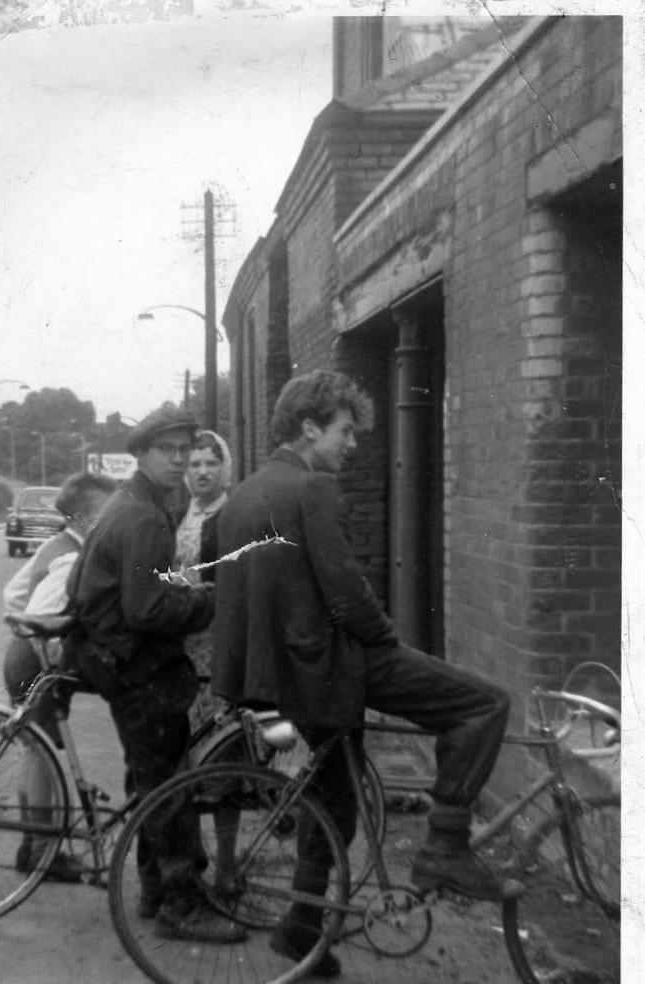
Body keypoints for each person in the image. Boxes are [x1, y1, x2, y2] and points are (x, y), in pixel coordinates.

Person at [212, 369, 519, 978]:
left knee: (334, 799)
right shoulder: (312, 489)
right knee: (485, 704)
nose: (352, 446)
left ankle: (299, 930)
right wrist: (388, 641)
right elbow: (347, 596)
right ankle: (445, 846)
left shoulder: (244, 493)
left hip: (279, 678)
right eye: (345, 431)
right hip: (328, 667)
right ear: (309, 427)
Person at [65, 406, 246, 944]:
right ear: (141, 454)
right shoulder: (144, 516)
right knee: (169, 786)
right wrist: (208, 602)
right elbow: (146, 609)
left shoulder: (129, 503)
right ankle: (182, 906)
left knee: (149, 776)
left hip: (112, 656)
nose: (180, 459)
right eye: (167, 450)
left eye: (185, 449)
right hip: (137, 663)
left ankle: (152, 890)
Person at [2, 471, 116, 883]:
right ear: (85, 518)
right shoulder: (73, 557)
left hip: (22, 656)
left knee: (34, 749)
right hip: (37, 660)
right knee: (41, 753)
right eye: (110, 513)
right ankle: (42, 851)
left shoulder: (55, 545)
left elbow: (14, 594)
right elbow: (39, 611)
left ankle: (32, 846)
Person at [173, 429, 232, 729]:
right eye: (195, 465)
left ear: (224, 467)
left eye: (211, 463)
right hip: (179, 633)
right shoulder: (175, 515)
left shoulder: (234, 514)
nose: (203, 472)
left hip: (217, 633)